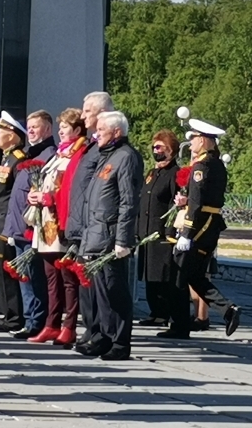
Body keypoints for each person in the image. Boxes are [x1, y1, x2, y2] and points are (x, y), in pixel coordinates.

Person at [164, 119, 241, 340]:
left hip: (198, 227)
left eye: (194, 138)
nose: (191, 143)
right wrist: (186, 200)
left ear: (203, 140)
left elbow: (197, 203)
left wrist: (187, 233)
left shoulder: (201, 166)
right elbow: (203, 198)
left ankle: (179, 326)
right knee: (196, 276)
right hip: (210, 226)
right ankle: (228, 310)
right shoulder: (216, 164)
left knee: (178, 276)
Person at [76, 111, 143, 361]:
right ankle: (105, 335)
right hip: (96, 235)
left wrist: (123, 239)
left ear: (117, 132)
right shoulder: (108, 156)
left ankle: (120, 342)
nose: (96, 134)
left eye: (101, 130)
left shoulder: (125, 157)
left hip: (111, 236)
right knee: (101, 292)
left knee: (116, 291)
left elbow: (128, 201)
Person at [27, 108, 87, 345]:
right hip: (47, 223)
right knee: (51, 276)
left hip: (63, 221)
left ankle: (69, 326)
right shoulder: (59, 154)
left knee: (67, 277)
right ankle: (51, 324)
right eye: (60, 127)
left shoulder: (78, 154)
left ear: (78, 130)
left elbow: (72, 189)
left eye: (65, 127)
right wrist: (35, 194)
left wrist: (49, 198)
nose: (61, 131)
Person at [64, 91, 114, 348]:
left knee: (99, 286)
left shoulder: (108, 149)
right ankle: (91, 330)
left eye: (87, 112)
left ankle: (100, 334)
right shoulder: (92, 146)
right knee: (86, 284)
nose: (82, 117)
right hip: (82, 225)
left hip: (95, 227)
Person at [2, 110, 56, 340]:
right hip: (19, 226)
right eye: (30, 126)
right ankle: (29, 318)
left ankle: (36, 321)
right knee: (24, 276)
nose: (31, 130)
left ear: (48, 129)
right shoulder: (28, 154)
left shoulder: (48, 155)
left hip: (33, 228)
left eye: (36, 126)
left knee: (34, 277)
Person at [136, 129, 181, 328]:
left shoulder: (175, 173)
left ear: (171, 150)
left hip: (162, 232)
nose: (156, 150)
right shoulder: (152, 172)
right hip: (146, 231)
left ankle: (164, 313)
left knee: (161, 275)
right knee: (149, 274)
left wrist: (170, 232)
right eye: (154, 147)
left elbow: (174, 204)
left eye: (160, 147)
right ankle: (154, 312)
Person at [0, 111, 27, 334]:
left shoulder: (19, 160)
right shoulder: (4, 158)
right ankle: (7, 314)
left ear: (13, 135)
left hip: (7, 224)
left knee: (9, 272)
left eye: (2, 130)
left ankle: (14, 317)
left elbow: (15, 196)